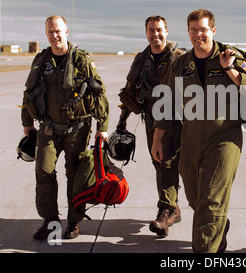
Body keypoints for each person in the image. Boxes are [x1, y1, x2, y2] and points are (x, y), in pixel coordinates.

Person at [151, 9, 246, 253]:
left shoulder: (232, 56)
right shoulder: (181, 63)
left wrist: (230, 69)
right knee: (194, 197)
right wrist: (158, 139)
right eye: (193, 30)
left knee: (211, 203)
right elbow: (166, 100)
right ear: (188, 32)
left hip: (224, 136)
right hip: (191, 136)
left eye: (203, 29)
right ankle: (220, 226)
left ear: (213, 30)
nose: (198, 34)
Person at [21, 15, 109, 240]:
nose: (54, 35)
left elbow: (98, 92)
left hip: (76, 129)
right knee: (44, 172)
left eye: (58, 31)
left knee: (75, 176)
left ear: (66, 31)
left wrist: (103, 126)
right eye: (50, 32)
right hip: (49, 129)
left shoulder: (81, 59)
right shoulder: (41, 61)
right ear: (46, 34)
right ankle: (50, 221)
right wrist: (27, 123)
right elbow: (29, 91)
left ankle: (74, 222)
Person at [116, 16, 184, 237]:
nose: (156, 35)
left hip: (173, 121)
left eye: (159, 30)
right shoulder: (142, 59)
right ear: (146, 32)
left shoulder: (178, 57)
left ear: (167, 31)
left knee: (167, 163)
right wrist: (122, 119)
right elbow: (130, 89)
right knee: (159, 163)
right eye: (151, 30)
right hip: (150, 120)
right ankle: (172, 207)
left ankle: (165, 211)